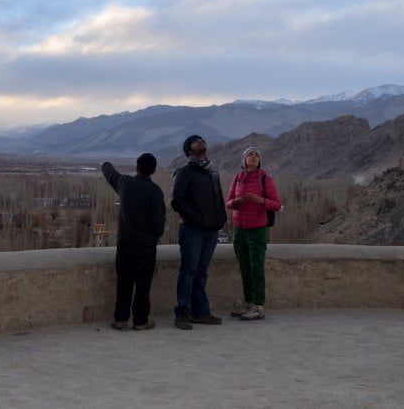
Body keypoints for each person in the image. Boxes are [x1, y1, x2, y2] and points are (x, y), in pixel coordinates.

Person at [102, 153, 166, 331]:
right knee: (143, 285)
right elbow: (159, 223)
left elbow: (110, 174)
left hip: (125, 244)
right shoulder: (155, 192)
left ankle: (120, 319)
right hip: (145, 248)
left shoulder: (125, 184)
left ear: (137, 167)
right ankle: (140, 321)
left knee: (123, 282)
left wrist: (106, 163)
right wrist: (153, 238)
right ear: (153, 170)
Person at [171, 135, 228, 330]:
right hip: (192, 230)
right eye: (196, 141)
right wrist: (196, 218)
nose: (201, 142)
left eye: (203, 140)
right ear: (188, 150)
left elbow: (219, 198)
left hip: (211, 231)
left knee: (202, 272)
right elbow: (176, 201)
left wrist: (221, 218)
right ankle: (183, 312)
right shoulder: (184, 172)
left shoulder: (212, 172)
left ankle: (201, 312)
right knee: (188, 271)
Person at [225, 147, 281, 321]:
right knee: (244, 268)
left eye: (256, 155)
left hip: (257, 229)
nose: (254, 156)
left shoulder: (265, 178)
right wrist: (237, 202)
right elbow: (228, 202)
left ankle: (258, 306)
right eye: (250, 154)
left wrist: (260, 200)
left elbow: (277, 204)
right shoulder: (237, 178)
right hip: (239, 230)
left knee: (256, 267)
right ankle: (248, 303)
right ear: (244, 160)